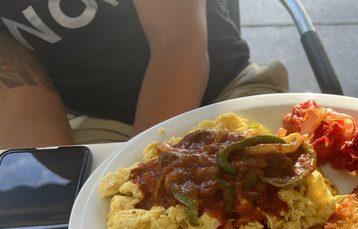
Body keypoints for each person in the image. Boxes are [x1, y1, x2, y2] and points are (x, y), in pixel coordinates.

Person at [0, 0, 288, 148]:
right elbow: (20, 86)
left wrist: (137, 173)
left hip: (222, 90)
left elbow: (176, 41)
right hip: (98, 119)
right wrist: (65, 193)